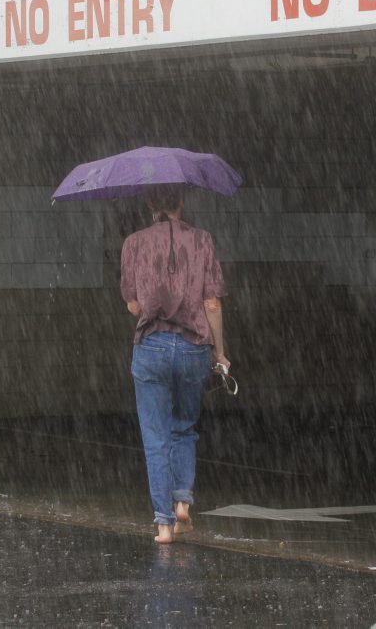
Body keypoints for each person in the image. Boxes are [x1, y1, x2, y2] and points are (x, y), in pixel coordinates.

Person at [120, 183, 230, 544]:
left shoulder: (133, 243)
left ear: (150, 204)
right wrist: (219, 352)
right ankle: (183, 502)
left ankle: (164, 524)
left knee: (156, 437)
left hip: (150, 346)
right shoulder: (202, 240)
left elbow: (133, 306)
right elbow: (212, 303)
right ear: (181, 202)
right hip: (192, 348)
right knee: (184, 428)